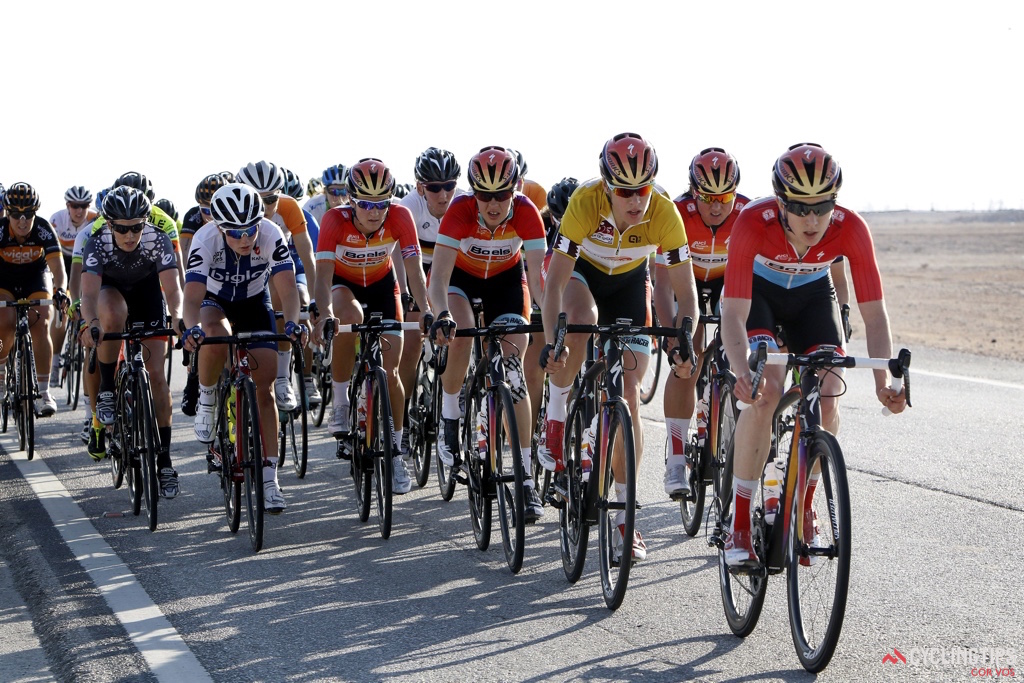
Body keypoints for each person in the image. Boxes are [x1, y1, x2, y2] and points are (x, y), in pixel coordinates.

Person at [719, 142, 907, 569]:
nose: (812, 219)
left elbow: (874, 315)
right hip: (759, 297)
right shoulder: (752, 222)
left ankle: (803, 501)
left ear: (834, 202)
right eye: (800, 207)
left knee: (829, 386)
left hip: (811, 299)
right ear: (781, 201)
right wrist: (740, 370)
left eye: (821, 206)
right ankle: (742, 521)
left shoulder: (852, 228)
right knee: (765, 393)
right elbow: (733, 314)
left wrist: (885, 384)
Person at [539, 133, 699, 561]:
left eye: (642, 189)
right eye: (624, 191)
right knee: (580, 322)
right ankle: (556, 419)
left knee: (629, 394)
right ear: (607, 186)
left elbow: (687, 294)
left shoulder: (665, 212)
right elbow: (554, 283)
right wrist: (554, 337)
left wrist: (682, 339)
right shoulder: (585, 203)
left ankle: (626, 518)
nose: (635, 200)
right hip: (582, 276)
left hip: (629, 282)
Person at [427, 146, 547, 522]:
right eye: (485, 195)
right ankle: (450, 417)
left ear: (516, 189)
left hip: (507, 283)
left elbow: (539, 283)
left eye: (502, 195)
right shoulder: (459, 211)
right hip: (461, 282)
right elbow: (439, 279)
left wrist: (549, 315)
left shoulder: (528, 213)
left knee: (514, 369)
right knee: (461, 335)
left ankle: (525, 478)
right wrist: (441, 313)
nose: (493, 204)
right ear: (473, 192)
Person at [182, 183, 305, 514]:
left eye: (250, 229)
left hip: (254, 301)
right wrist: (191, 328)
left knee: (264, 388)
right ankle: (208, 400)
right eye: (234, 233)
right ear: (220, 228)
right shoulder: (205, 239)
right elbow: (192, 298)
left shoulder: (271, 234)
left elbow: (288, 291)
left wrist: (292, 324)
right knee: (213, 333)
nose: (244, 238)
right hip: (214, 301)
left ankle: (269, 479)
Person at [312, 158, 430, 496]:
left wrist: (424, 310)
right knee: (348, 318)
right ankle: (340, 402)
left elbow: (413, 269)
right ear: (351, 200)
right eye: (365, 204)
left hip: (382, 286)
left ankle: (394, 452)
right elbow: (322, 279)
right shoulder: (334, 220)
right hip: (343, 286)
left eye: (381, 203)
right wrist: (324, 315)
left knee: (390, 373)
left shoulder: (400, 216)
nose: (374, 212)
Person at [653, 148, 749, 499]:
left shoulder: (746, 214)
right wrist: (670, 335)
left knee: (736, 348)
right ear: (694, 192)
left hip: (727, 285)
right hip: (685, 284)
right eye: (708, 197)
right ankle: (677, 459)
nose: (717, 205)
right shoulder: (676, 213)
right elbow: (662, 286)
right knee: (686, 360)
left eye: (725, 196)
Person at [79, 186, 184, 496]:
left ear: (145, 223)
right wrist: (91, 323)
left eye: (136, 226)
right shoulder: (97, 244)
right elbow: (87, 294)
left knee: (158, 379)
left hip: (148, 296)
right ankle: (108, 389)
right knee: (110, 314)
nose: (130, 234)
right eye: (122, 228)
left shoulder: (157, 239)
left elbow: (174, 289)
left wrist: (176, 316)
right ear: (109, 224)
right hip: (111, 292)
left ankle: (164, 460)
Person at [236, 160, 317, 414]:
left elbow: (307, 256)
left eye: (271, 199)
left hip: (276, 266)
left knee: (284, 297)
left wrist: (315, 302)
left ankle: (283, 378)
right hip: (241, 270)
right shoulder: (233, 206)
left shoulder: (289, 207)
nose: (265, 207)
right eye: (257, 199)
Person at [394, 147, 463, 442]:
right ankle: (405, 411)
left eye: (449, 186)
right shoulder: (408, 207)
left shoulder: (463, 204)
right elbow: (400, 259)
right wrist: (407, 297)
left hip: (448, 270)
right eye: (435, 188)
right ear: (421, 187)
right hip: (415, 270)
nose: (443, 194)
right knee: (410, 344)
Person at [0, 182, 68, 417]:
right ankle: (0, 374)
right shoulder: (0, 231)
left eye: (28, 213)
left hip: (35, 278)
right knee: (4, 321)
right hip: (4, 280)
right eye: (16, 214)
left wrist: (60, 291)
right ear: (7, 213)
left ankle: (43, 391)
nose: (23, 220)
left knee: (42, 323)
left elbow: (59, 269)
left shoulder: (43, 228)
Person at [48, 186, 99, 384]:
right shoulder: (57, 220)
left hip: (83, 262)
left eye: (84, 206)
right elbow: (50, 254)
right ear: (67, 206)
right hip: (62, 261)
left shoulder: (95, 219)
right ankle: (54, 363)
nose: (79, 211)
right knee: (62, 309)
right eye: (75, 206)